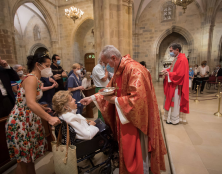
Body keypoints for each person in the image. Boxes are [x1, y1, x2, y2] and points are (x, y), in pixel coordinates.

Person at [80, 45, 166, 174]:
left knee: (137, 149)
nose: (105, 67)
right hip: (125, 116)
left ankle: (141, 170)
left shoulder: (134, 70)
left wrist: (115, 100)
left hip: (136, 120)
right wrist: (92, 98)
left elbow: (138, 99)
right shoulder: (120, 69)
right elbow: (108, 87)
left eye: (105, 63)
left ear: (113, 58)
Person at [5, 53, 61, 174]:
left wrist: (42, 108)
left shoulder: (36, 79)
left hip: (28, 119)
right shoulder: (31, 79)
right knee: (23, 161)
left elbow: (26, 100)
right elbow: (30, 103)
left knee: (29, 159)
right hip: (21, 121)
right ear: (37, 65)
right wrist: (49, 118)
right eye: (47, 65)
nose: (49, 68)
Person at [162, 43, 189, 125]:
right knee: (170, 101)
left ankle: (174, 119)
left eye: (171, 51)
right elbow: (172, 68)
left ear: (177, 50)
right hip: (173, 83)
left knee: (175, 102)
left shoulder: (182, 59)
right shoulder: (176, 58)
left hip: (177, 85)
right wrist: (166, 70)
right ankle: (169, 118)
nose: (170, 52)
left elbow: (179, 74)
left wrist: (169, 74)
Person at [91, 55, 109, 122]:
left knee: (104, 108)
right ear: (101, 61)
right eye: (105, 62)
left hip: (104, 88)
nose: (106, 64)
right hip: (100, 89)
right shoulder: (98, 68)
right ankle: (102, 123)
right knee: (102, 108)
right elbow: (104, 79)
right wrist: (106, 71)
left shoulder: (101, 67)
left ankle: (104, 122)